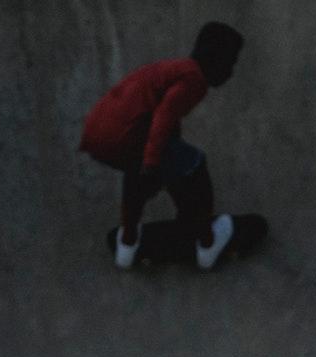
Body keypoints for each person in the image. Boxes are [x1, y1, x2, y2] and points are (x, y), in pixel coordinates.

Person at [81, 22, 244, 270]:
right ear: (215, 60)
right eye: (230, 63)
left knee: (145, 172)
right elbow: (164, 116)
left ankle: (128, 244)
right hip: (129, 137)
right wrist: (151, 162)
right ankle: (207, 245)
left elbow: (164, 118)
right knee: (195, 165)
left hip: (102, 133)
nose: (231, 72)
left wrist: (155, 166)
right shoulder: (194, 79)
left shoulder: (174, 69)